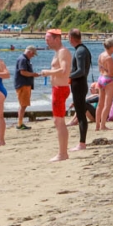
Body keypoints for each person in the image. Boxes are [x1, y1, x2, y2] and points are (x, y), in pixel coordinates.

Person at [40, 29, 72, 162]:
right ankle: (62, 152)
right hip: (58, 88)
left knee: (59, 121)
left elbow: (64, 71)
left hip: (60, 88)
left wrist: (48, 72)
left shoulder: (63, 51)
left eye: (48, 39)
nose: (46, 41)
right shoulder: (58, 52)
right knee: (58, 120)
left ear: (57, 39)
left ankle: (62, 153)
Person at [69, 29, 92, 151]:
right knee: (80, 113)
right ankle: (82, 142)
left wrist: (68, 76)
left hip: (79, 84)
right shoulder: (81, 50)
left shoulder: (80, 51)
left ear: (71, 38)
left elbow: (81, 71)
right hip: (79, 84)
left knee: (81, 114)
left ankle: (82, 143)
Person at [95, 39, 113, 132]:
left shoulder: (101, 55)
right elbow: (112, 73)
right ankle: (103, 125)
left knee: (100, 104)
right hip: (108, 80)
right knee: (107, 104)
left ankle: (97, 125)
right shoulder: (109, 58)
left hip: (101, 78)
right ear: (112, 47)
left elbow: (100, 68)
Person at [14, 46, 38, 130]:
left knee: (23, 105)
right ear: (30, 52)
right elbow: (23, 72)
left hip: (25, 84)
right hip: (23, 84)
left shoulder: (24, 59)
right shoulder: (23, 59)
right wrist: (33, 74)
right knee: (23, 105)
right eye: (33, 54)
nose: (33, 56)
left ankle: (20, 123)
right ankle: (20, 124)